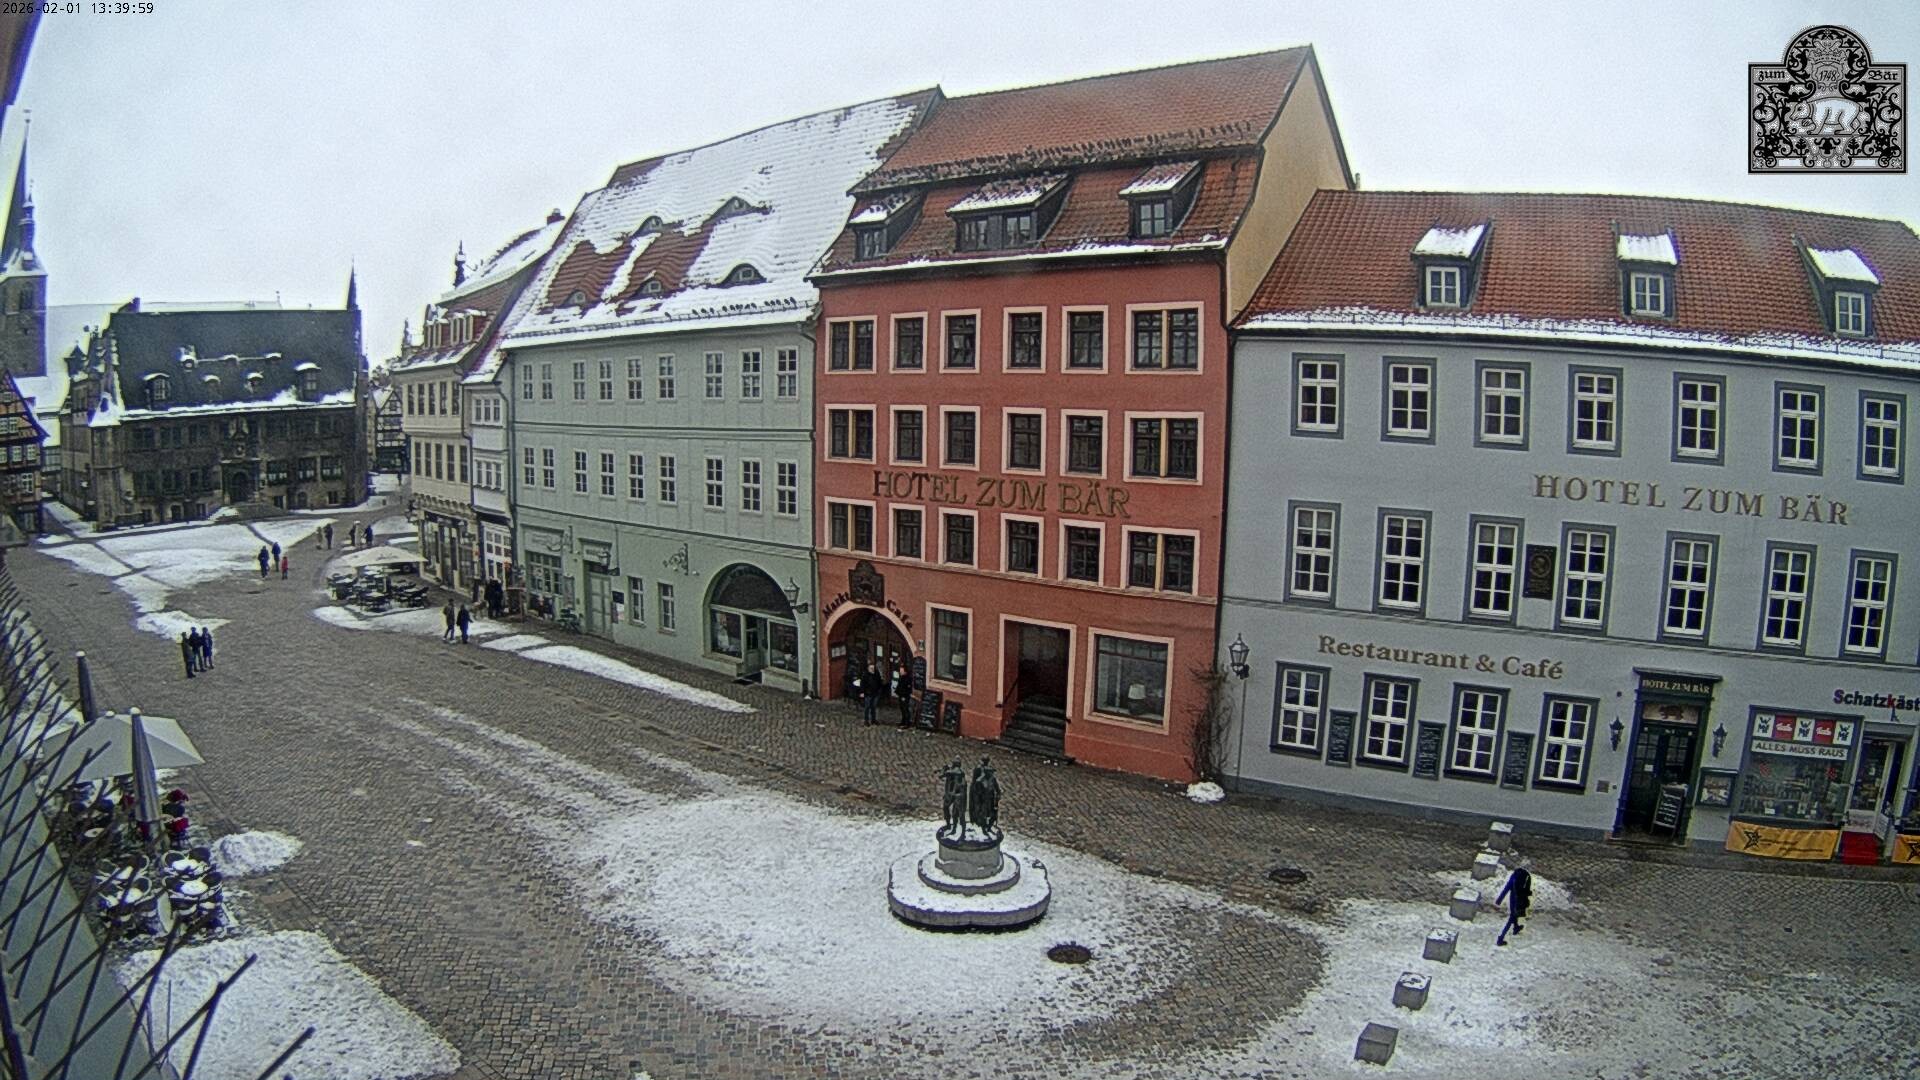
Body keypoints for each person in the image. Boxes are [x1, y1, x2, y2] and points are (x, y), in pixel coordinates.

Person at [1496, 861, 1533, 946]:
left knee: (1514, 914)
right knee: (1512, 917)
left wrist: (1499, 899)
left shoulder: (1515, 874)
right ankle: (1500, 938)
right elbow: (1525, 891)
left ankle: (1516, 927)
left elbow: (1507, 887)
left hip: (1512, 899)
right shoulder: (1527, 876)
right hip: (1519, 900)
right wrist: (1529, 893)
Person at [860, 661, 882, 726]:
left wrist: (879, 691)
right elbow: (862, 684)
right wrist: (862, 692)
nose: (872, 669)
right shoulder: (865, 675)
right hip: (868, 693)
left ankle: (873, 720)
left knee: (873, 707)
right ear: (868, 668)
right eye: (871, 668)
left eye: (873, 668)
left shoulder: (876, 673)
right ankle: (866, 720)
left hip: (875, 693)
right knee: (867, 707)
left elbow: (879, 682)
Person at [892, 660, 912, 726]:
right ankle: (903, 721)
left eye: (901, 671)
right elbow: (900, 686)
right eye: (900, 671)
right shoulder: (902, 677)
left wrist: (904, 696)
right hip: (901, 695)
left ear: (905, 671)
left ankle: (907, 723)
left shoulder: (908, 678)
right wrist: (897, 692)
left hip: (905, 696)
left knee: (905, 709)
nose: (900, 672)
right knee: (902, 709)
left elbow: (908, 689)